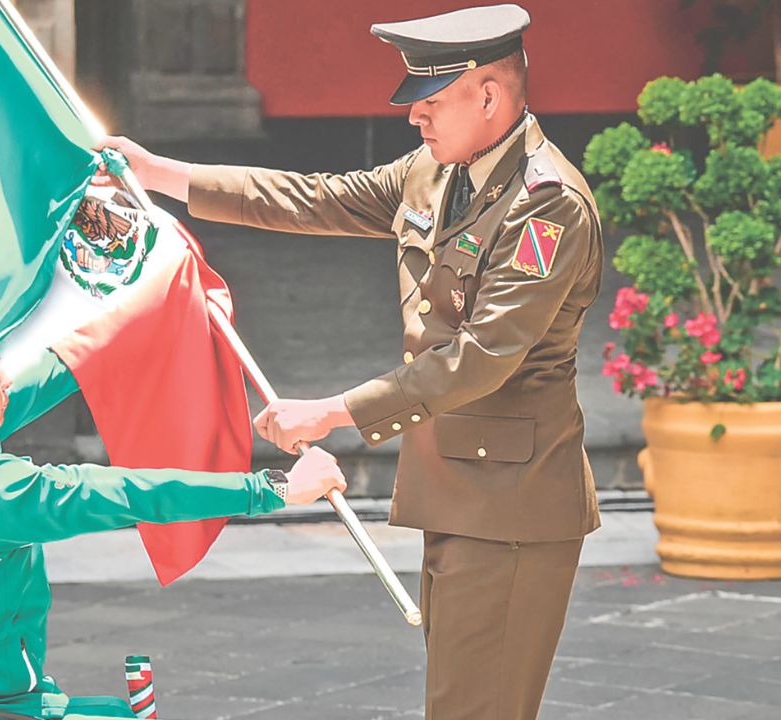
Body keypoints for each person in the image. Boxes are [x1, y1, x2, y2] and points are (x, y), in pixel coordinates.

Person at [97, 4, 602, 719]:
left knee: (477, 708)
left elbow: (481, 358)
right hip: (460, 486)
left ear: (488, 96)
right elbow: (311, 200)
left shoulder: (547, 208)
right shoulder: (434, 173)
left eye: (429, 103)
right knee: (462, 701)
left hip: (511, 506)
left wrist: (332, 411)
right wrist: (158, 173)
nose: (413, 119)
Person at [0, 301, 346, 718]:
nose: (6, 377)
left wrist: (120, 326)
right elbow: (128, 492)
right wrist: (274, 487)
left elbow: (19, 396)